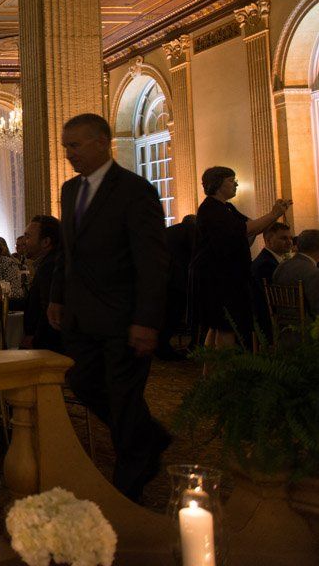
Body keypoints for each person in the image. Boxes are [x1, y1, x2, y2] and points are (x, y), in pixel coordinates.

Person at [48, 113, 171, 503]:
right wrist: (56, 296)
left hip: (124, 316)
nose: (68, 153)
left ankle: (130, 480)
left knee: (123, 396)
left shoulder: (135, 191)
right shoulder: (69, 192)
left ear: (102, 142)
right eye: (66, 146)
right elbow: (67, 252)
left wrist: (147, 320)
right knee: (83, 383)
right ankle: (149, 439)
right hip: (81, 316)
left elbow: (152, 261)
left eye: (75, 145)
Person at [191, 165, 291, 349]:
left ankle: (212, 374)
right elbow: (247, 229)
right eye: (231, 180)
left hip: (228, 275)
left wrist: (274, 215)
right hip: (219, 277)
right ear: (218, 183)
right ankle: (225, 374)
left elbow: (252, 227)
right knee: (226, 327)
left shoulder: (227, 207)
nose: (236, 184)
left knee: (218, 327)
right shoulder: (211, 209)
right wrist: (274, 214)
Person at [19, 215, 62, 352]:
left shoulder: (49, 266)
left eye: (28, 237)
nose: (23, 242)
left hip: (47, 345)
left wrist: (35, 339)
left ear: (45, 242)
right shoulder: (47, 263)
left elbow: (46, 309)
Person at [250, 221, 293, 343]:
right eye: (283, 238)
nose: (289, 242)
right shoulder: (265, 264)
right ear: (268, 241)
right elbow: (276, 299)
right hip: (268, 322)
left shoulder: (272, 260)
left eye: (290, 238)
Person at [162, 214, 197, 357]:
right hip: (178, 278)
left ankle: (162, 345)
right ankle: (163, 347)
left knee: (166, 314)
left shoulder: (170, 231)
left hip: (163, 276)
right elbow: (195, 253)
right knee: (175, 313)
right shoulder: (191, 230)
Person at [272, 228, 319, 318]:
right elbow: (317, 310)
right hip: (307, 327)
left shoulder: (281, 266)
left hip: (282, 325)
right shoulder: (314, 273)